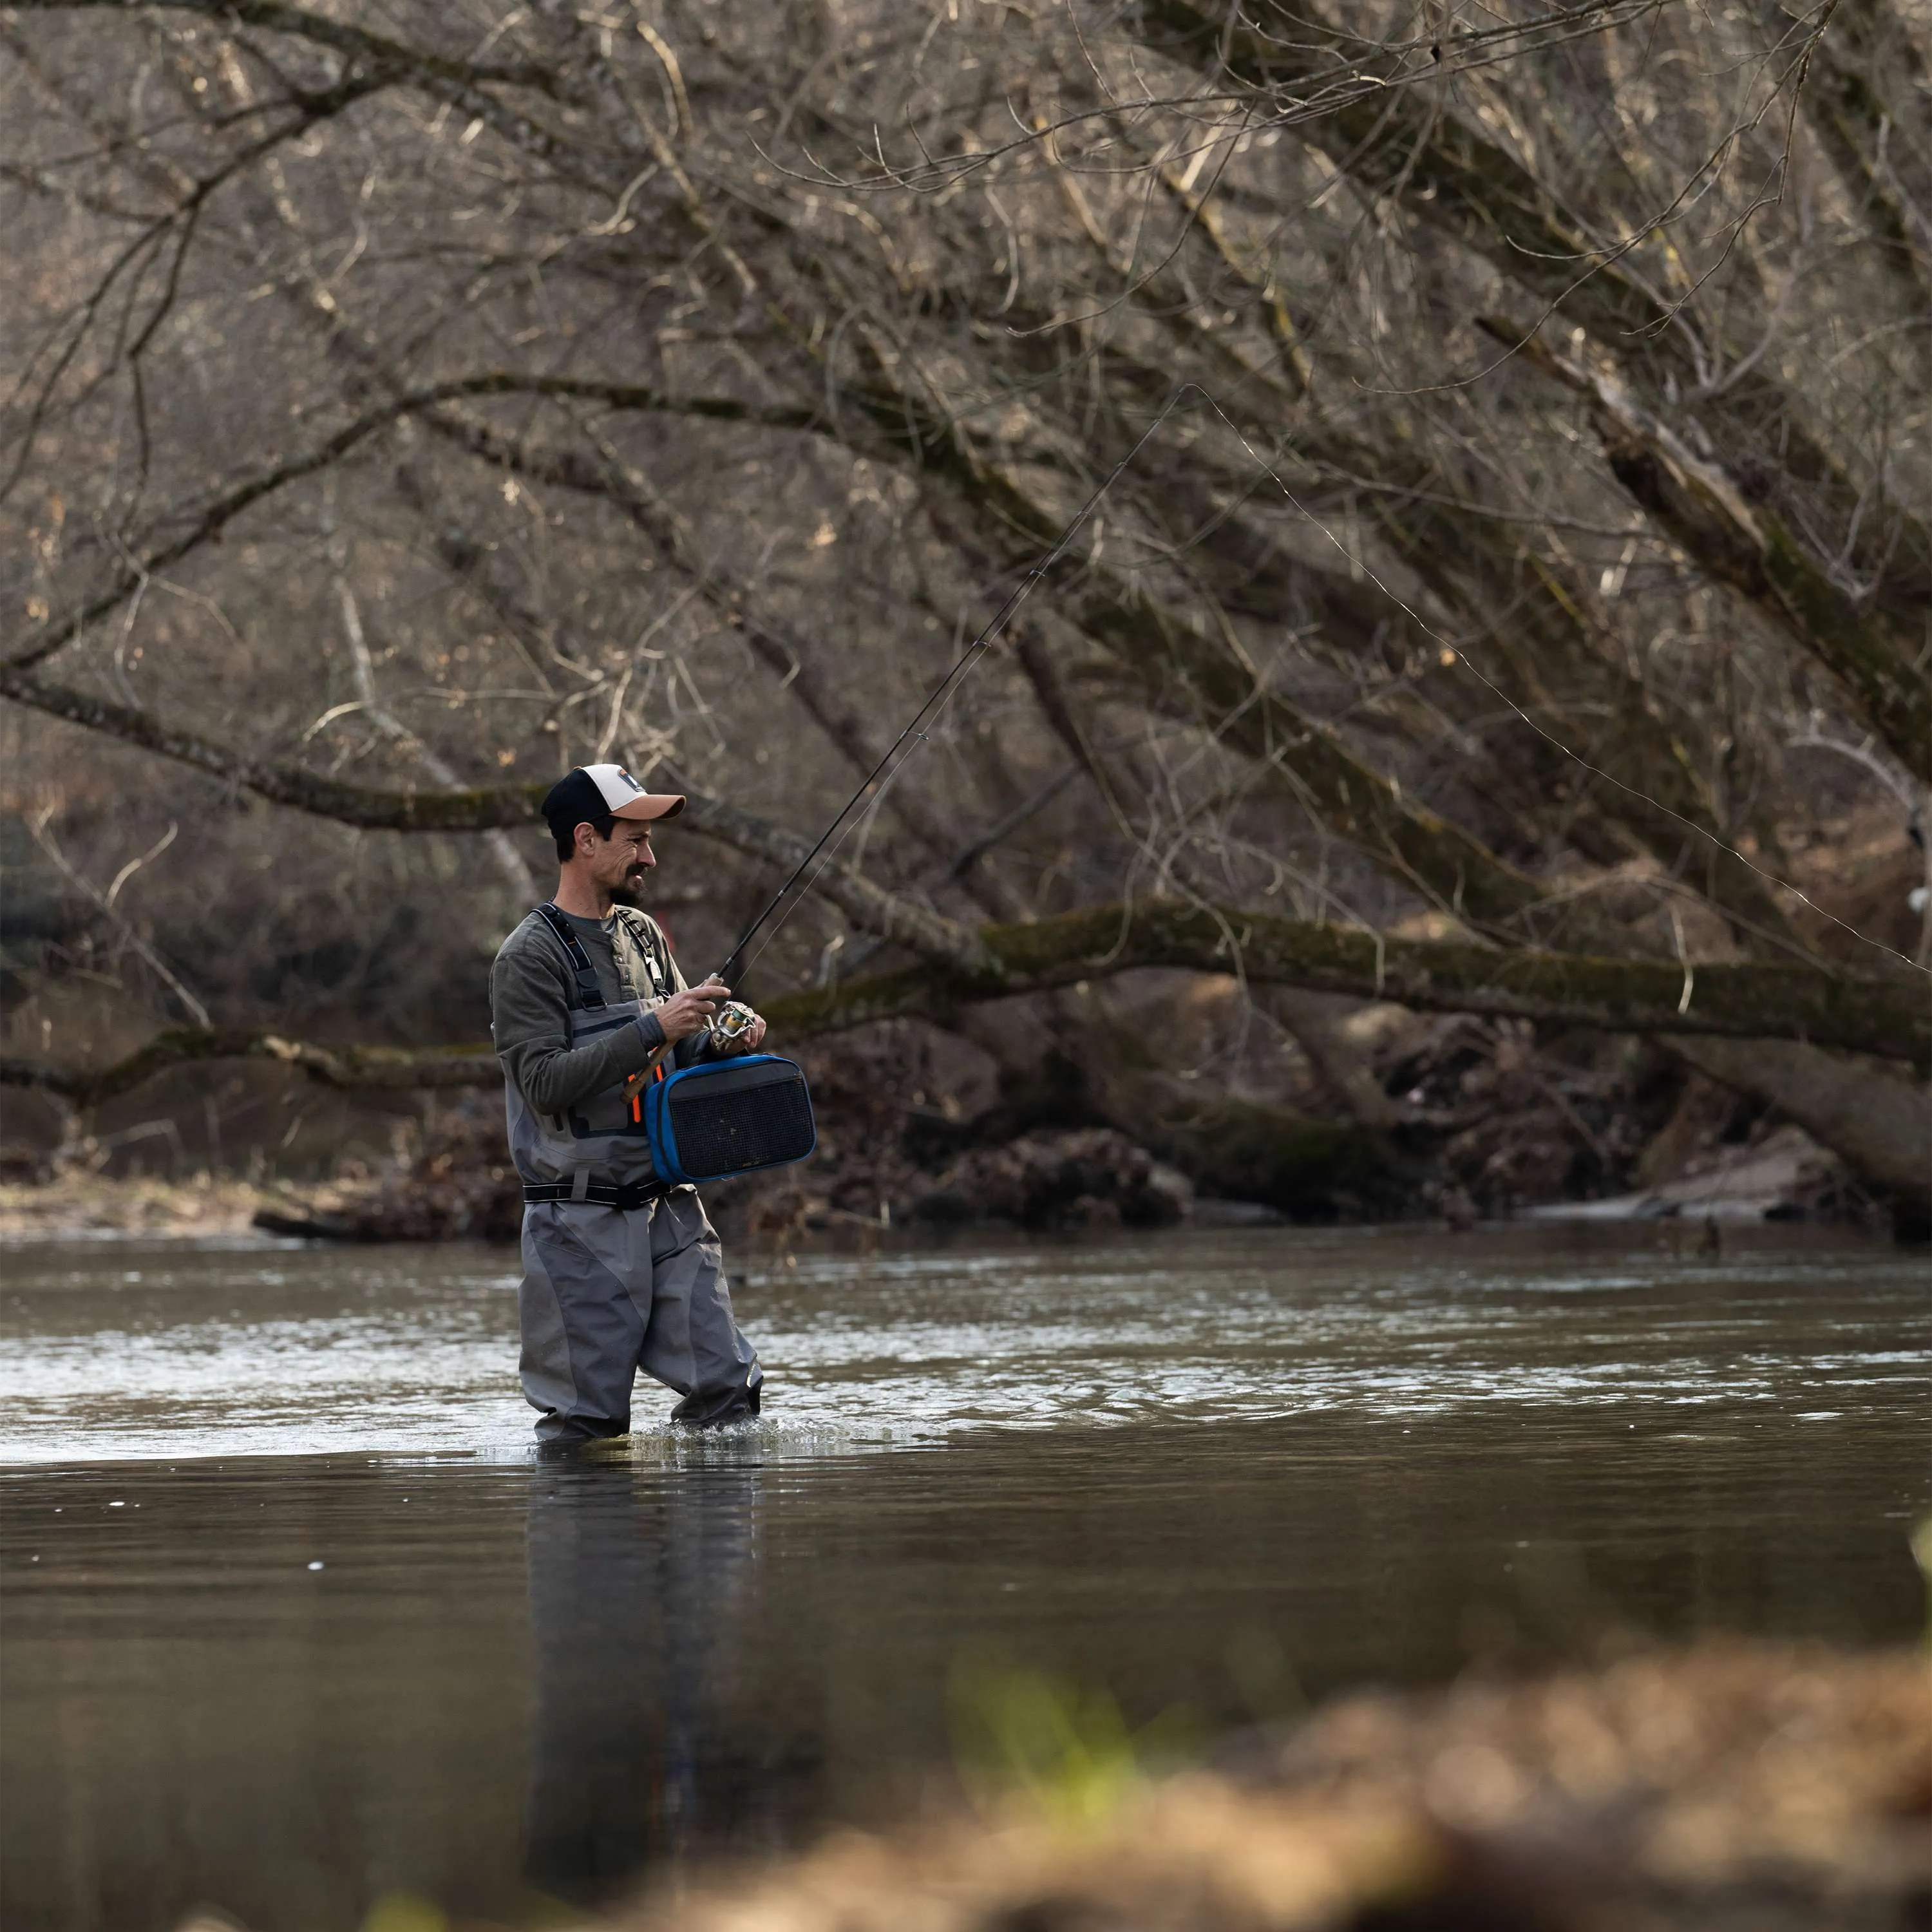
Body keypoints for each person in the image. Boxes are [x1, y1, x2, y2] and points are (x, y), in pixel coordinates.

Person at [490, 763, 766, 1441]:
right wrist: (655, 1027)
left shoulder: (645, 935)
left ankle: (704, 1541)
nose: (650, 856)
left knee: (729, 1391)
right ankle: (602, 1543)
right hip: (575, 1221)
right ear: (586, 840)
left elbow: (673, 1056)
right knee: (587, 1425)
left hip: (669, 1205)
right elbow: (544, 1084)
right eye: (635, 840)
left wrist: (720, 1041)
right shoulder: (528, 956)